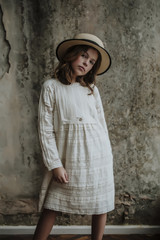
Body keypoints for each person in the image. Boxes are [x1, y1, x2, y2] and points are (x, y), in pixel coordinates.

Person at [33, 33, 115, 240]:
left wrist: (108, 157)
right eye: (83, 56)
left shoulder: (91, 90)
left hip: (98, 155)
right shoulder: (51, 87)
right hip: (69, 157)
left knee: (100, 203)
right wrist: (55, 164)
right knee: (53, 204)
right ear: (71, 55)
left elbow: (101, 126)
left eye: (91, 62)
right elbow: (45, 129)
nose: (86, 63)